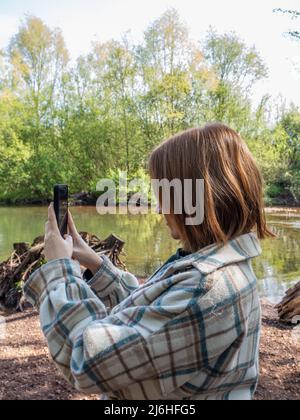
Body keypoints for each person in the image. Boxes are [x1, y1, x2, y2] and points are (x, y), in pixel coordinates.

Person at [24, 123, 274, 400]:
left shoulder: (207, 287)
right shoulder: (214, 266)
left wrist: (60, 273)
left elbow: (87, 361)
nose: (158, 208)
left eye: (166, 196)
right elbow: (154, 317)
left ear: (201, 199)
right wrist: (93, 261)